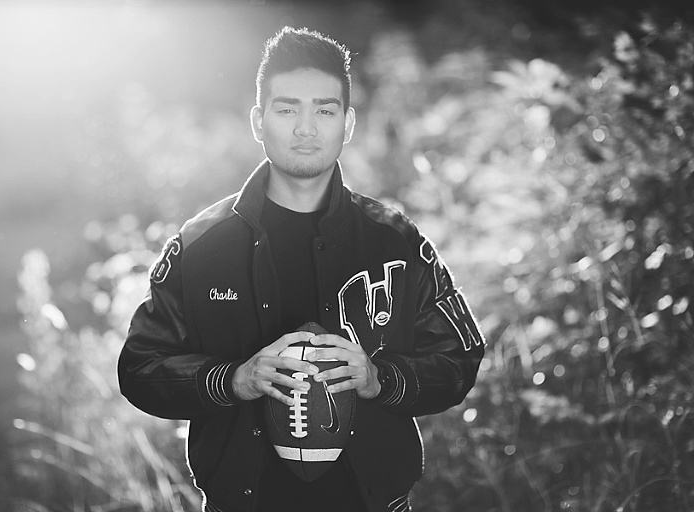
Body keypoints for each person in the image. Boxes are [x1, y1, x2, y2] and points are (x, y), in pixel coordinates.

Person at [118, 26, 486, 512]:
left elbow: (460, 355)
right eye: (287, 108)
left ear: (348, 124)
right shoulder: (200, 246)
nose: (306, 128)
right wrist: (234, 379)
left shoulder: (394, 240)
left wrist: (379, 379)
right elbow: (140, 367)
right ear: (258, 120)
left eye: (325, 110)